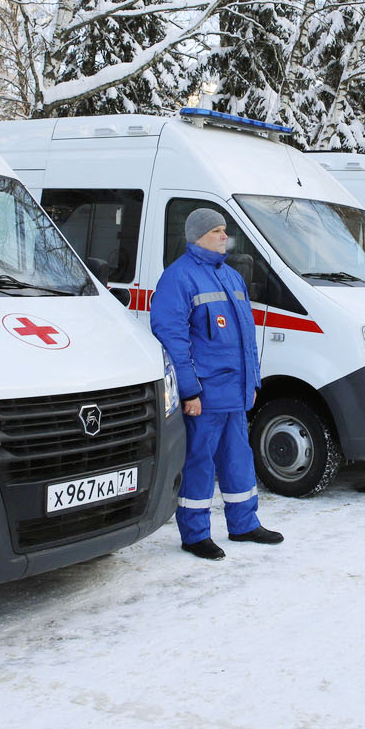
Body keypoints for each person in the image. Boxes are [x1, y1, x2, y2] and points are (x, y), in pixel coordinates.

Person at [150, 208, 282, 560]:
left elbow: (247, 339)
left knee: (239, 460)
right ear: (197, 236)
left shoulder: (232, 277)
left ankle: (244, 524)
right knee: (199, 464)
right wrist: (189, 391)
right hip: (205, 397)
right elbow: (172, 339)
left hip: (235, 394)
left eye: (225, 230)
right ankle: (195, 534)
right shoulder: (178, 278)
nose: (225, 236)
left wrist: (252, 381)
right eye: (217, 231)